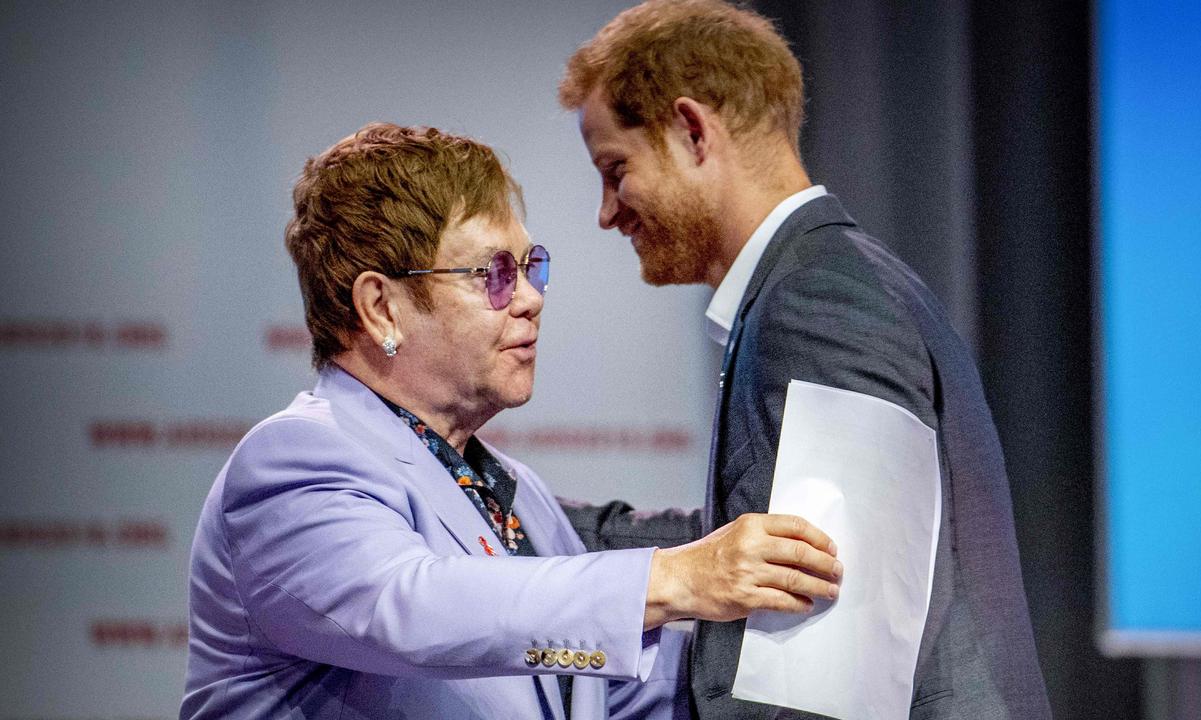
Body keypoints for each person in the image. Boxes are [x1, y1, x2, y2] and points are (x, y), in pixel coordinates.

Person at [180, 123, 842, 720]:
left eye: (529, 268)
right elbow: (412, 607)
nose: (528, 299)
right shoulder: (294, 462)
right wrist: (678, 577)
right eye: (492, 274)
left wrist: (803, 653)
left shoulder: (508, 491)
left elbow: (598, 686)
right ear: (381, 307)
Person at [557, 2, 1052, 718]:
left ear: (693, 131)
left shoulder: (814, 302)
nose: (608, 212)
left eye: (615, 169)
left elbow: (825, 659)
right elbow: (764, 549)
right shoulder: (823, 282)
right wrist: (527, 516)